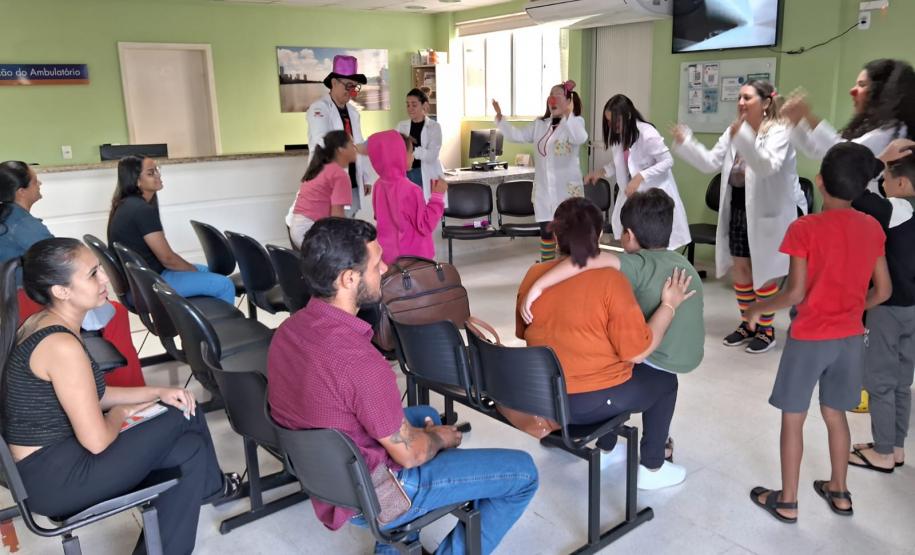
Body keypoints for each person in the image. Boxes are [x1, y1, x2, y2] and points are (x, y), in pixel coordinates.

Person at [268, 218, 538, 554]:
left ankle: (395, 546)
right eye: (376, 262)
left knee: (423, 413)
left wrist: (427, 433)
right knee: (524, 473)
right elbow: (409, 454)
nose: (384, 269)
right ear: (349, 278)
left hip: (326, 482)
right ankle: (416, 532)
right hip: (376, 493)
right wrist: (439, 438)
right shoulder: (360, 363)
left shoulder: (287, 333)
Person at [0, 237, 240, 554]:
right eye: (92, 275)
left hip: (47, 467)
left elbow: (89, 395)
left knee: (189, 449)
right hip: (55, 479)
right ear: (61, 291)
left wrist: (158, 391)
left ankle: (209, 489)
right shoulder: (60, 345)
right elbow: (97, 440)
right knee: (184, 413)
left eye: (100, 270)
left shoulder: (41, 322)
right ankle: (214, 487)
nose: (105, 280)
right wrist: (122, 414)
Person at [746, 142, 891, 523]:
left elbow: (793, 292)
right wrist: (853, 308)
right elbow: (884, 290)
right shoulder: (872, 227)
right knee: (835, 413)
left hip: (809, 338)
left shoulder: (805, 228)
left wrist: (756, 308)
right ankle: (840, 491)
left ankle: (788, 500)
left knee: (793, 416)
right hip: (849, 339)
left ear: (820, 183)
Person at [516, 197, 696, 490]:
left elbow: (525, 332)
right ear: (598, 235)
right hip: (586, 405)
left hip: (545, 397)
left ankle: (609, 448)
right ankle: (652, 466)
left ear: (556, 236)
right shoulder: (611, 280)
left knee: (603, 362)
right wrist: (669, 306)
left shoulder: (535, 275)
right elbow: (639, 352)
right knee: (664, 379)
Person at [673, 80, 801, 354]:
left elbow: (766, 166)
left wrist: (742, 137)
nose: (741, 103)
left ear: (766, 103)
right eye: (739, 98)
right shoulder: (735, 130)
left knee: (762, 271)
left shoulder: (780, 131)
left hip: (769, 211)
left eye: (748, 98)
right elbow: (709, 162)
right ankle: (748, 322)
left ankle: (766, 329)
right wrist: (687, 143)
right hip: (740, 207)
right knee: (740, 269)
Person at [0, 160, 144, 387]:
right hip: (29, 304)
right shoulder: (22, 225)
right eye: (35, 181)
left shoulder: (7, 218)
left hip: (13, 304)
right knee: (116, 313)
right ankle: (129, 391)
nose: (40, 184)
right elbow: (59, 264)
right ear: (21, 191)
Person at [847, 139, 915, 473]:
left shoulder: (898, 209)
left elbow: (853, 190)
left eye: (886, 179)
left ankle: (883, 452)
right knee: (903, 381)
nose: (883, 185)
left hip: (889, 309)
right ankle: (896, 447)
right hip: (913, 310)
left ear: (902, 183)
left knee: (880, 381)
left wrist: (878, 158)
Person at [107, 156, 235, 305]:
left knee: (209, 272)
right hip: (151, 282)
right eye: (150, 173)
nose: (158, 175)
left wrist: (194, 272)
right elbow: (168, 259)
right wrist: (192, 272)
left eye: (157, 170)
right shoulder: (141, 210)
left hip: (142, 279)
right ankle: (218, 328)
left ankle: (206, 321)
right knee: (225, 284)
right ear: (137, 181)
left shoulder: (126, 204)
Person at [494, 81, 588, 262]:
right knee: (546, 233)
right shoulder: (540, 124)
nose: (552, 100)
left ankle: (568, 272)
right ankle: (547, 268)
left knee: (567, 235)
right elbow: (518, 136)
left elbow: (580, 138)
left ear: (569, 100)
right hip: (544, 191)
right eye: (550, 96)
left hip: (566, 191)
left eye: (557, 96)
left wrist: (569, 113)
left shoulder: (575, 122)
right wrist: (500, 119)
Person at [585, 95, 691, 250]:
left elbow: (668, 161)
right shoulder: (621, 135)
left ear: (627, 115)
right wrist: (601, 172)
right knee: (636, 242)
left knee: (654, 244)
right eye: (608, 121)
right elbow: (622, 163)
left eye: (615, 121)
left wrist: (640, 177)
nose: (611, 125)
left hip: (655, 196)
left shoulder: (647, 133)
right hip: (636, 197)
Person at [285, 54, 374, 225]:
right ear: (334, 83)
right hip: (329, 181)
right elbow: (324, 142)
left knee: (347, 225)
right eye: (348, 86)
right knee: (328, 227)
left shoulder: (353, 112)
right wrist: (354, 149)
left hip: (352, 180)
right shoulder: (319, 109)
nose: (352, 91)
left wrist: (365, 176)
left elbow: (360, 142)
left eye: (355, 87)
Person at [782, 59, 915, 173]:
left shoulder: (892, 131)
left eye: (862, 85)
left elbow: (843, 154)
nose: (852, 91)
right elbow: (817, 151)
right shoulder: (871, 125)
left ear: (881, 92)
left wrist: (808, 116)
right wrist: (795, 122)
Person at [370, 130, 447, 265]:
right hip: (414, 258)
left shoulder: (378, 185)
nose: (413, 157)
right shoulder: (411, 189)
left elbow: (379, 216)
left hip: (387, 255)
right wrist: (437, 196)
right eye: (411, 152)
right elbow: (424, 225)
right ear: (398, 155)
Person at [289, 130, 356, 248]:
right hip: (310, 231)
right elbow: (337, 218)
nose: (355, 147)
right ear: (341, 149)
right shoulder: (339, 174)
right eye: (351, 143)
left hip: (297, 229)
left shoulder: (320, 168)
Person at [397, 88, 444, 198]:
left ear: (424, 105)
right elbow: (395, 151)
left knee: (424, 209)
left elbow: (432, 156)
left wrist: (410, 148)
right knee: (407, 209)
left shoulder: (434, 127)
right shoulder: (401, 126)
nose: (410, 108)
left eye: (414, 105)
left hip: (424, 174)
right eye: (407, 105)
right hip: (405, 174)